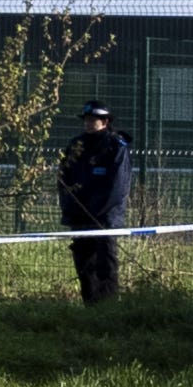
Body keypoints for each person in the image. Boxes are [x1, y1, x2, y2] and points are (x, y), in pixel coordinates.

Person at [59, 101, 130, 302]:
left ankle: (108, 308)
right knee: (83, 262)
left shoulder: (116, 147)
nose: (88, 124)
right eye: (86, 120)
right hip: (79, 217)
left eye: (93, 120)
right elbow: (63, 179)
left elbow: (118, 187)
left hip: (104, 218)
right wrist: (71, 207)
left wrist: (97, 210)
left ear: (105, 121)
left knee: (105, 263)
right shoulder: (76, 145)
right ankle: (89, 305)